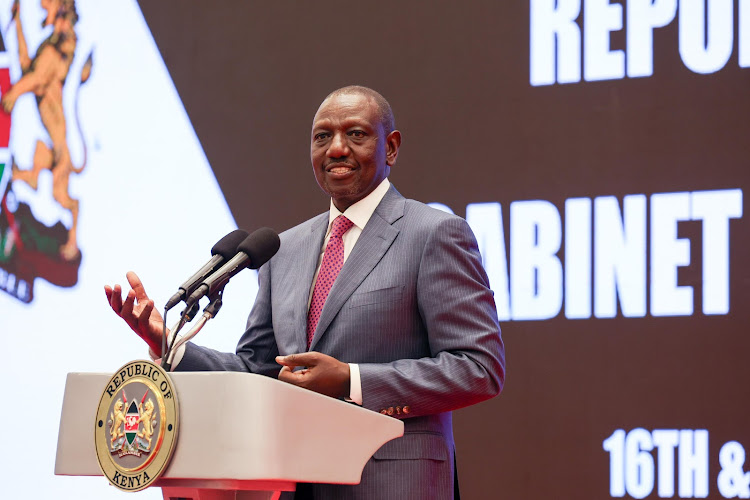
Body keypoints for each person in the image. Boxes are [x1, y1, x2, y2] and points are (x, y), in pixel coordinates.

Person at [105, 85, 505, 499]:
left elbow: (479, 367)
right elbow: (257, 369)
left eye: (356, 134)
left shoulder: (433, 234)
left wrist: (350, 380)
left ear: (391, 147)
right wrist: (170, 344)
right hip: (294, 482)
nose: (336, 148)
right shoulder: (283, 249)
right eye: (321, 137)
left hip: (392, 484)